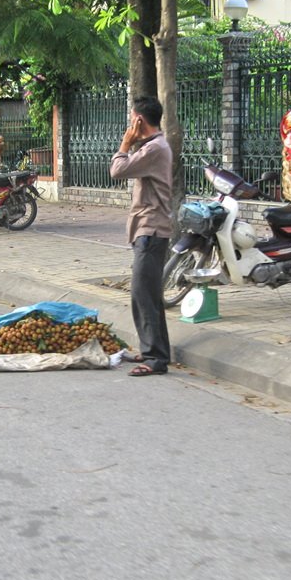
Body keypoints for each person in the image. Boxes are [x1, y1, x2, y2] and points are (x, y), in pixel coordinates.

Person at [109, 96, 173, 377]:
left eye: (131, 118)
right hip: (150, 228)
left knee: (141, 295)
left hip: (152, 229)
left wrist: (125, 143)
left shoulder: (154, 149)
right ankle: (156, 352)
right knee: (150, 295)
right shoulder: (154, 146)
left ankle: (155, 358)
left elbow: (118, 170)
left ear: (138, 120)